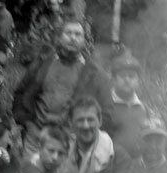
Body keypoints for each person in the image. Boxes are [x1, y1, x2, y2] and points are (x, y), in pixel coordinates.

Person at [13, 18, 114, 157]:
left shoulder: (94, 73)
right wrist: (27, 123)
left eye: (78, 34)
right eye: (68, 33)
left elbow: (107, 111)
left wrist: (84, 133)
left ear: (85, 40)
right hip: (36, 137)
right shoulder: (42, 63)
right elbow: (20, 93)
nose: (73, 38)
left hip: (70, 142)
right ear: (59, 37)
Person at [108, 52, 149, 159]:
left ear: (138, 81)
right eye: (122, 75)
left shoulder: (143, 109)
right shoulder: (105, 105)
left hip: (137, 168)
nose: (127, 80)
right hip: (112, 167)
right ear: (113, 79)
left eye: (131, 76)